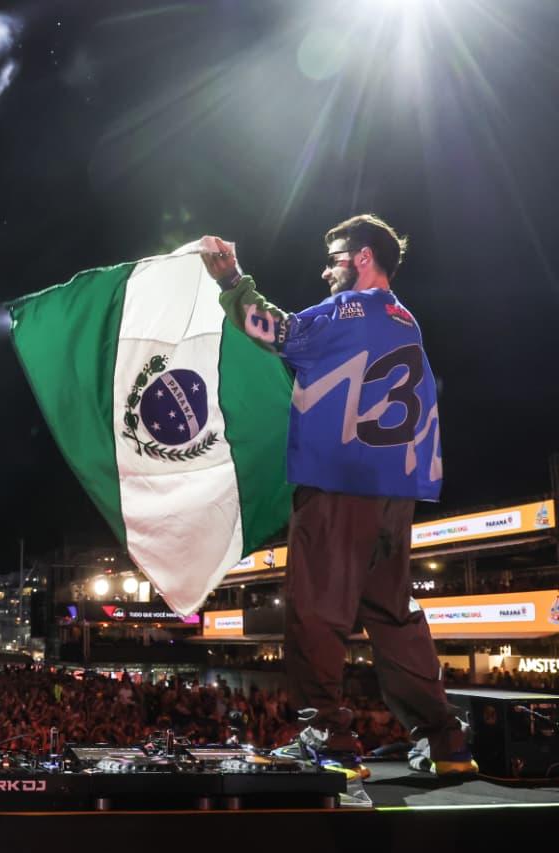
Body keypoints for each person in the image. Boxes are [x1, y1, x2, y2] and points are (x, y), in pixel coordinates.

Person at [199, 215, 476, 779]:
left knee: (316, 612)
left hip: (340, 485)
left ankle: (327, 738)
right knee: (393, 616)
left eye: (335, 259)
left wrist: (231, 280)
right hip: (393, 493)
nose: (326, 271)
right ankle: (445, 742)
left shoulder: (349, 310)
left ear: (364, 258)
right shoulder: (404, 320)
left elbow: (273, 330)